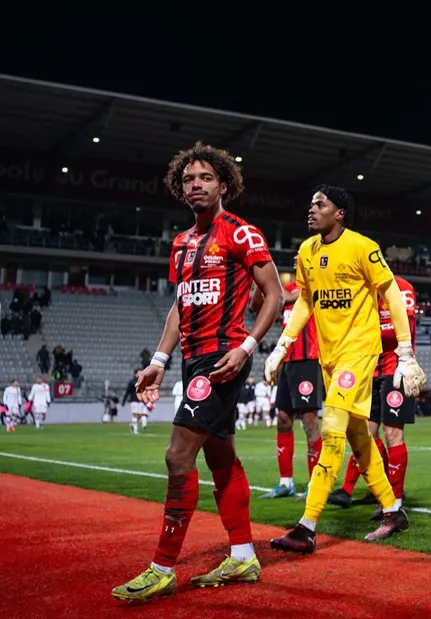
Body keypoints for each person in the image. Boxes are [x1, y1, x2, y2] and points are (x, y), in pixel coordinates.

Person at [112, 142, 284, 602]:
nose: (196, 185)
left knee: (177, 455)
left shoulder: (242, 233)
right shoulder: (181, 243)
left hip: (223, 358)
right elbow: (178, 306)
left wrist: (248, 347)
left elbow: (275, 295)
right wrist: (158, 361)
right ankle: (244, 555)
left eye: (206, 178)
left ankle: (162, 567)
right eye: (189, 180)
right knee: (220, 457)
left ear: (223, 184)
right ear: (180, 188)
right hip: (193, 360)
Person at [268, 185, 425, 553]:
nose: (312, 209)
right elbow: (306, 300)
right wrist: (282, 344)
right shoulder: (306, 251)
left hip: (360, 351)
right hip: (330, 357)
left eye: (320, 204)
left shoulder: (362, 247)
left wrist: (404, 351)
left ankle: (307, 525)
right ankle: (393, 510)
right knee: (359, 437)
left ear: (339, 213)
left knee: (331, 427)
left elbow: (390, 294)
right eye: (311, 203)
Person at [329, 274, 419, 515]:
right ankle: (357, 489)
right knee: (364, 435)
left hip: (396, 370)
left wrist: (366, 331)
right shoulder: (362, 289)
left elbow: (402, 330)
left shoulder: (402, 287)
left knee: (393, 433)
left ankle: (395, 501)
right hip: (368, 372)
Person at [258, 262, 324, 499]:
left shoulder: (317, 284)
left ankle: (315, 484)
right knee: (283, 419)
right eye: (295, 259)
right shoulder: (287, 288)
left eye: (302, 257)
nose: (298, 261)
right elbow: (270, 301)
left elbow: (288, 296)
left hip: (309, 359)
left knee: (309, 421)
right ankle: (286, 482)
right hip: (288, 361)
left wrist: (270, 287)